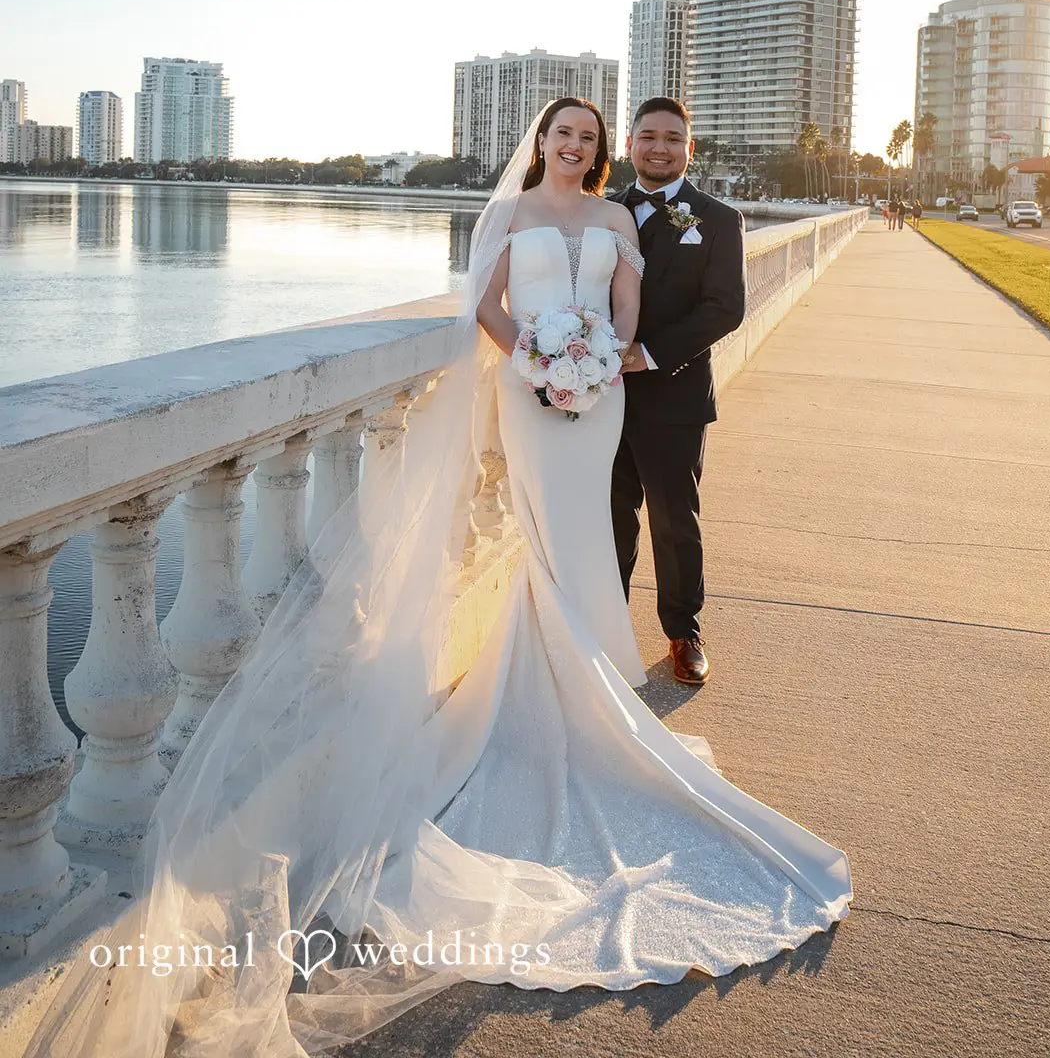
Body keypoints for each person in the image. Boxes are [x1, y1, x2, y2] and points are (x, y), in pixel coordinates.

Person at [36, 100, 851, 1058]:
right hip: (534, 387)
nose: (577, 148)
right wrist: (541, 361)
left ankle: (597, 691)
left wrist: (602, 363)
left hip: (601, 398)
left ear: (605, 151)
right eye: (566, 135)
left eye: (589, 138)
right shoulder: (506, 213)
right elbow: (489, 306)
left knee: (587, 537)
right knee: (550, 536)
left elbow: (631, 309)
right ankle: (548, 698)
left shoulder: (619, 219)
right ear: (544, 141)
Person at [609, 97, 745, 685]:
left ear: (689, 149)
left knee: (674, 519)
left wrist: (652, 354)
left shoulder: (716, 218)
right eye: (647, 137)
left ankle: (682, 630)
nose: (658, 147)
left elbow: (726, 308)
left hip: (675, 394)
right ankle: (604, 623)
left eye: (671, 138)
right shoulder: (603, 212)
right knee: (608, 516)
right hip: (599, 397)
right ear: (630, 145)